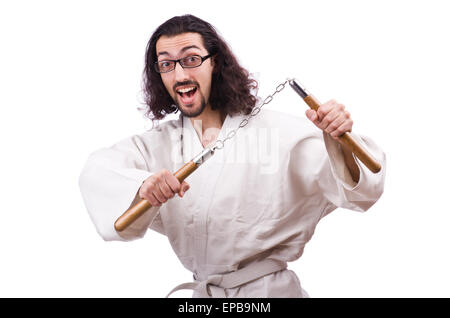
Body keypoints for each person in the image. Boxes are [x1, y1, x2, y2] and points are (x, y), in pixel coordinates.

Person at [79, 14, 386, 298]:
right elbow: (99, 171)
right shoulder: (160, 145)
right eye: (166, 64)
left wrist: (338, 138)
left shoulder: (278, 133)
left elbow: (360, 187)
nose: (180, 73)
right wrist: (144, 185)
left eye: (191, 59)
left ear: (215, 62)